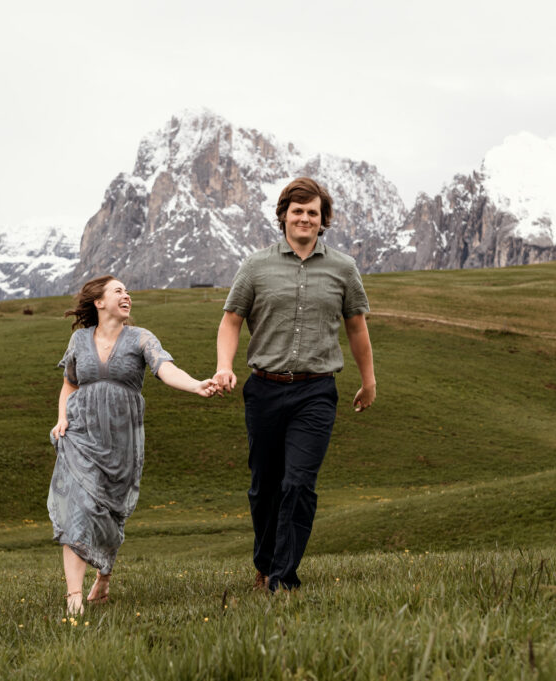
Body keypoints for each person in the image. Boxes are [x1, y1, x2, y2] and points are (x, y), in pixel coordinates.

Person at [214, 177, 376, 592]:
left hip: (316, 391)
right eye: (298, 210)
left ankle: (283, 581)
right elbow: (231, 320)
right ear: (284, 214)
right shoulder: (256, 266)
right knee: (264, 487)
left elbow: (356, 326)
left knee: (298, 484)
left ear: (323, 221)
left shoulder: (343, 268)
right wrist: (223, 366)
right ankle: (266, 564)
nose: (305, 218)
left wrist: (369, 380)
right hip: (263, 389)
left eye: (313, 213)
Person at [49, 275, 217, 615]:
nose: (127, 296)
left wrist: (196, 385)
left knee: (109, 513)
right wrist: (61, 417)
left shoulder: (142, 338)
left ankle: (104, 576)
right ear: (99, 302)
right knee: (76, 508)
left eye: (127, 292)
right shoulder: (79, 340)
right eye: (118, 291)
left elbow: (166, 369)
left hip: (121, 440)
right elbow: (69, 384)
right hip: (80, 434)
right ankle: (74, 598)